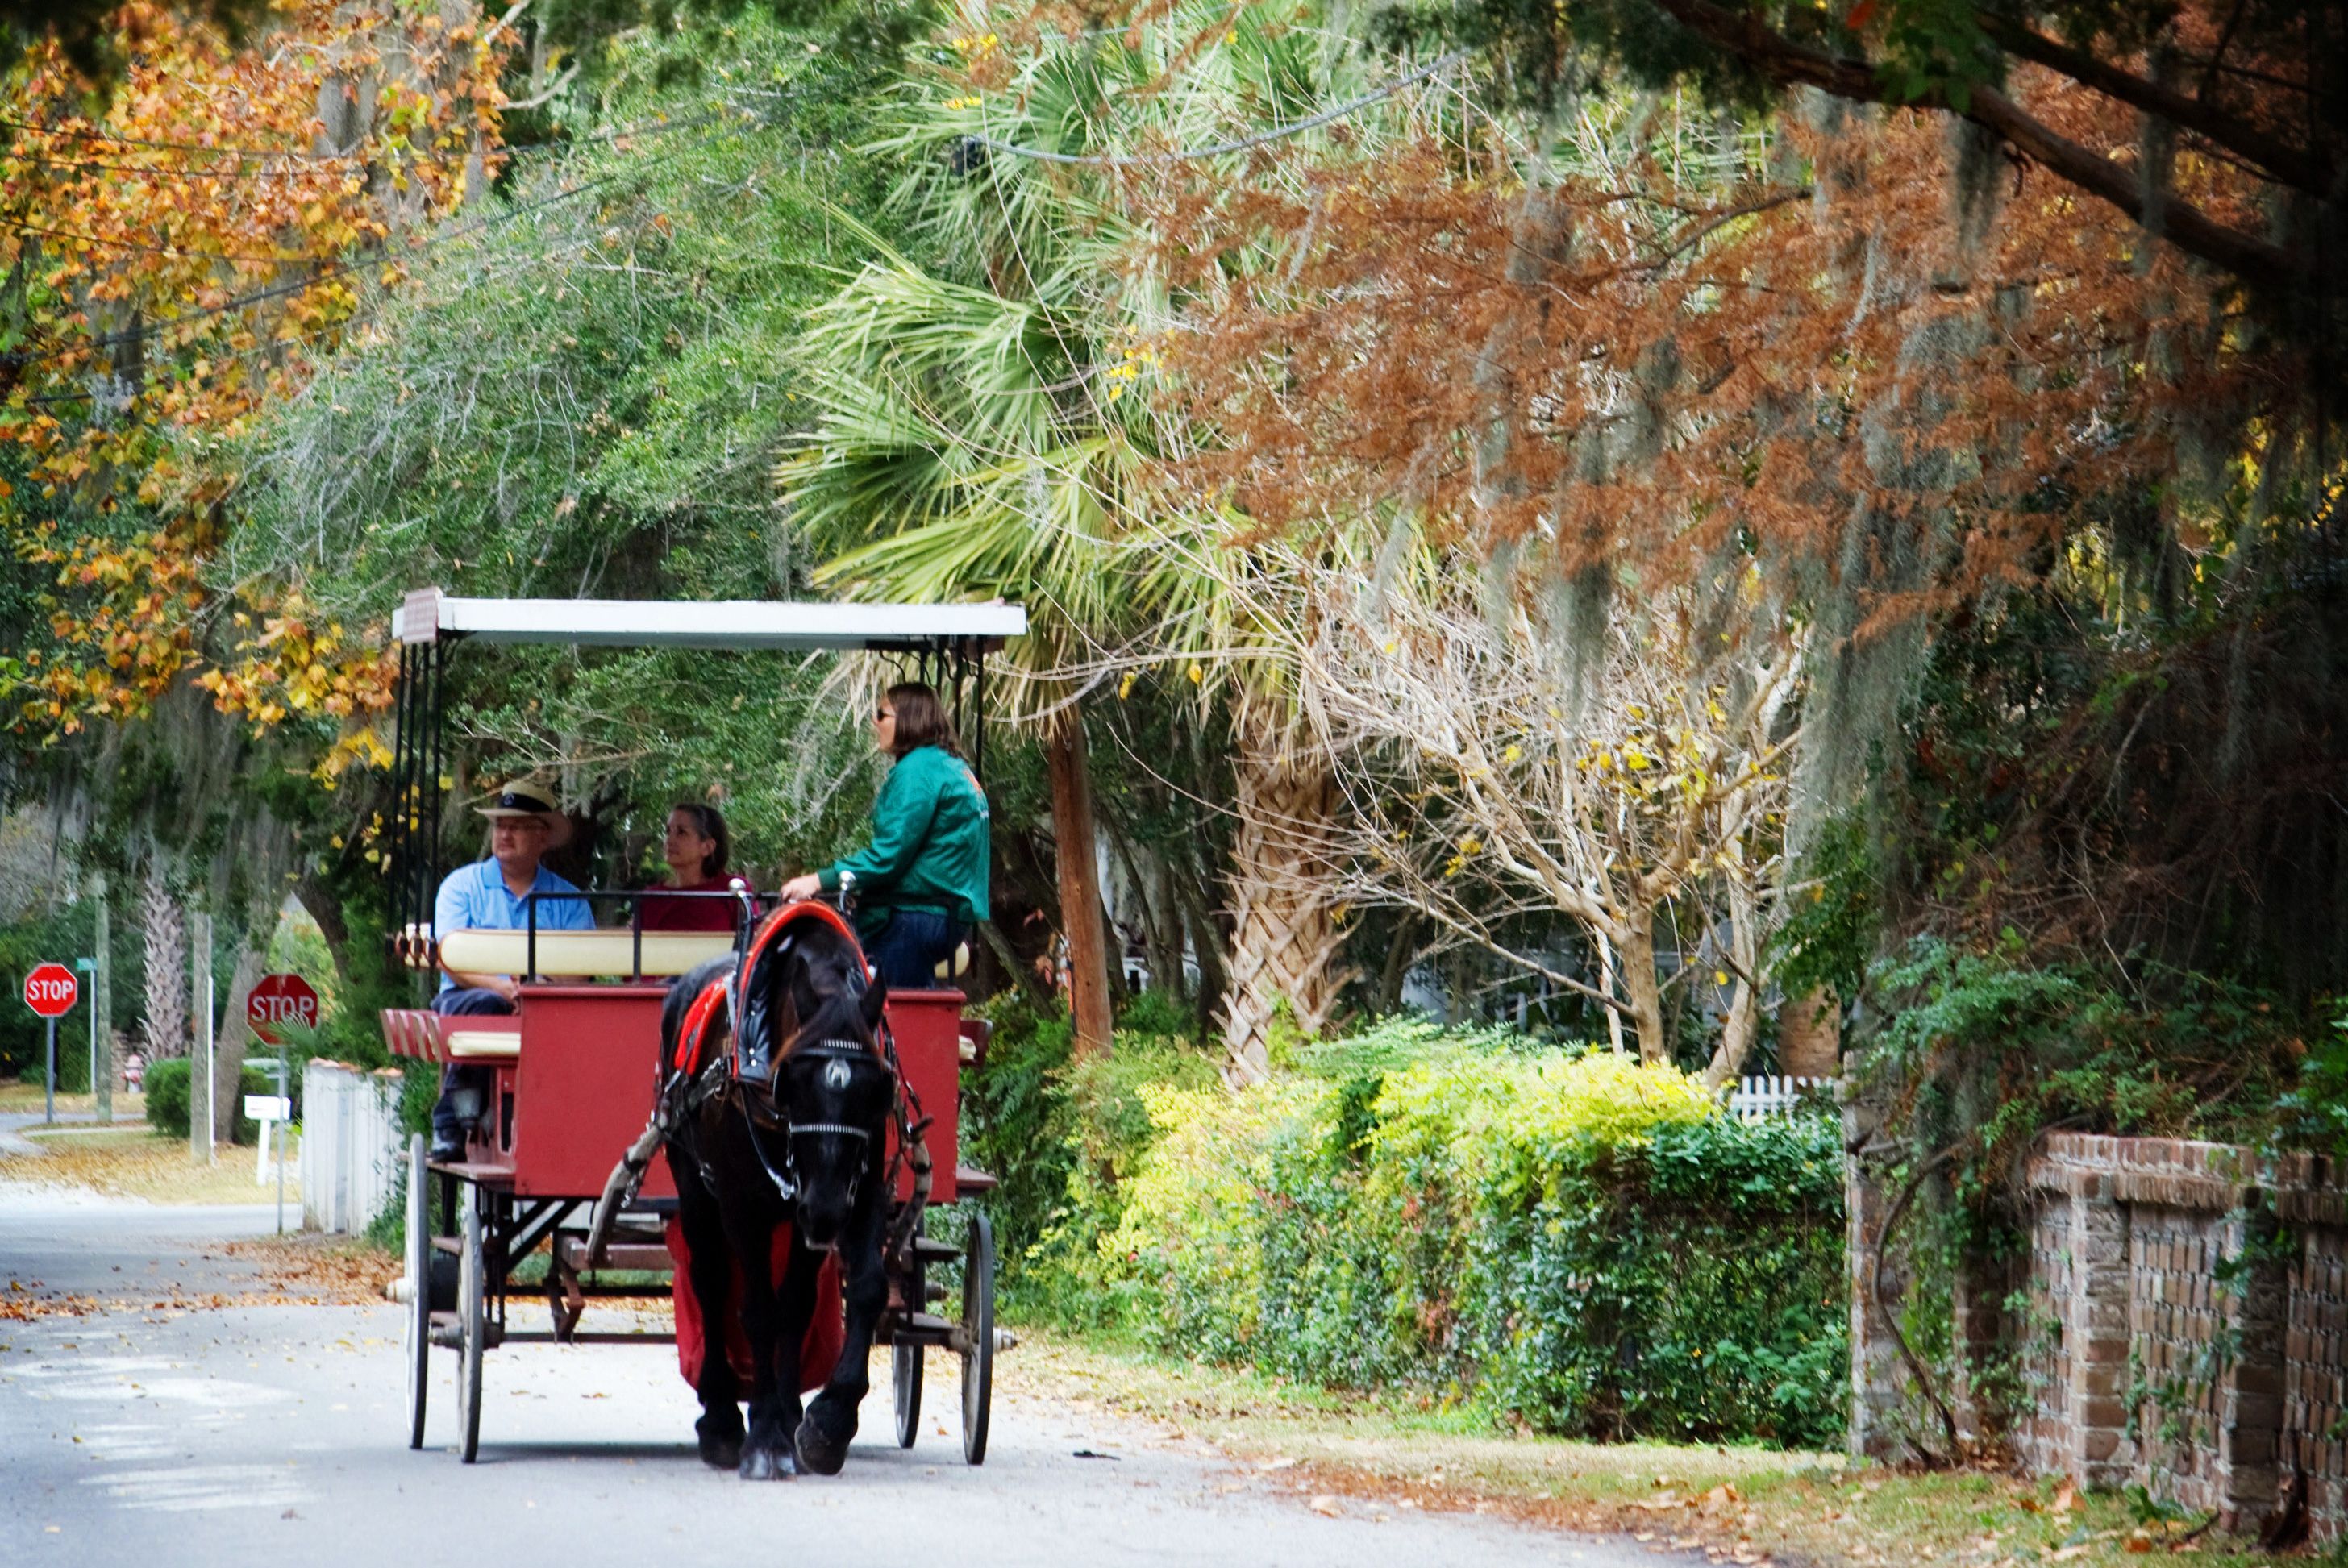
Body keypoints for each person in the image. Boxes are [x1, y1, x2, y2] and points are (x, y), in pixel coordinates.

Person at [779, 683, 989, 989]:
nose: (874, 722)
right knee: (906, 1006)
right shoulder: (952, 767)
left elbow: (888, 857)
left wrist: (817, 880)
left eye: (881, 714)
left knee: (886, 1017)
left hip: (916, 918)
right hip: (944, 917)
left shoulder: (918, 772)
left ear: (908, 718)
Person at [428, 776, 596, 1160]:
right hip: (466, 998)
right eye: (500, 825)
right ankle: (451, 1122)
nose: (504, 834)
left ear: (543, 838)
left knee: (589, 1025)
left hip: (547, 1004)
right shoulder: (461, 887)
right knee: (490, 1009)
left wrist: (537, 990)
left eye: (517, 826)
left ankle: (569, 1124)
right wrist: (506, 989)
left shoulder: (568, 900)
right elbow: (449, 959)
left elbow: (584, 970)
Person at [639, 802, 739, 934]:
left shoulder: (734, 890)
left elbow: (756, 943)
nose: (669, 840)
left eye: (681, 832)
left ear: (707, 847)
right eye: (668, 831)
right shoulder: (651, 897)